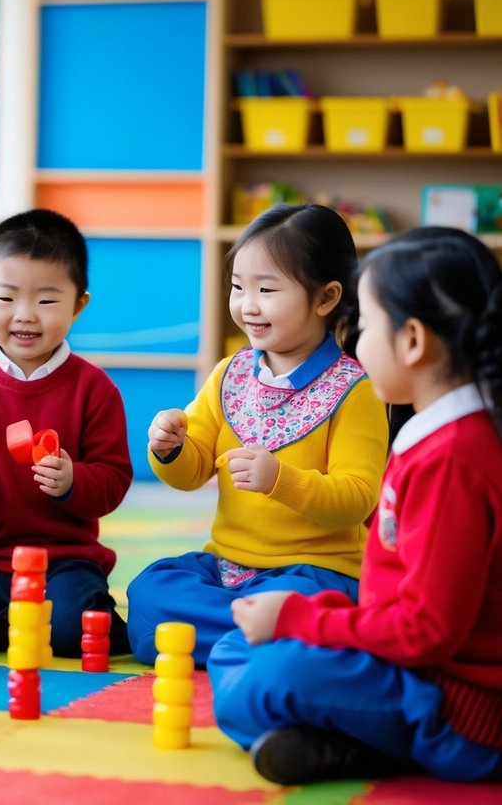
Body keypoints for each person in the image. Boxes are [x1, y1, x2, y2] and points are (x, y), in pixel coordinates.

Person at [210, 227, 502, 784]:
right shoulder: (440, 436)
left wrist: (300, 618)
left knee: (256, 684)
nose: (354, 346)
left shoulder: (456, 460)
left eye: (364, 328)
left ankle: (376, 749)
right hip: (410, 666)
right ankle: (350, 744)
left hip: (454, 709)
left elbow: (427, 631)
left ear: (412, 342)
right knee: (233, 648)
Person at [127, 203, 389, 666]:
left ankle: (264, 634)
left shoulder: (356, 390)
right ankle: (260, 638)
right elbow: (191, 472)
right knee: (148, 594)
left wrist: (279, 479)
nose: (247, 305)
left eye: (266, 289)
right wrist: (169, 448)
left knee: (288, 605)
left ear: (326, 298)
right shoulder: (229, 374)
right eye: (237, 287)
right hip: (228, 570)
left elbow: (358, 497)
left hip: (315, 573)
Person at [0, 209, 133, 657]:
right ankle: (6, 618)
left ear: (79, 305)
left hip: (66, 557)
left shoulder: (95, 389)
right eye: (7, 298)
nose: (25, 315)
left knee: (74, 632)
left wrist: (74, 480)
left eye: (46, 300)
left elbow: (114, 481)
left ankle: (73, 616)